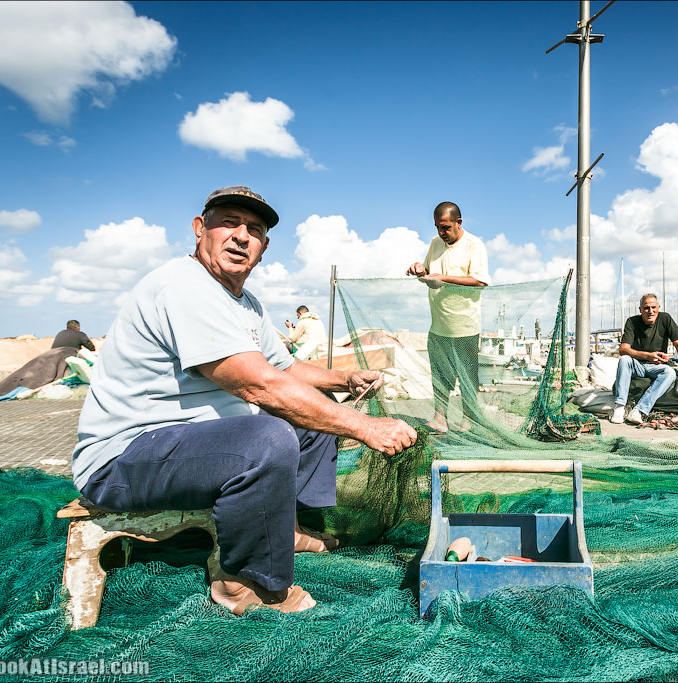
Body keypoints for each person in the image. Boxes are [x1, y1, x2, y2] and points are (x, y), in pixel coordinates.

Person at [71, 186, 417, 616]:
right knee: (268, 436)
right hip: (124, 459)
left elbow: (284, 368)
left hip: (188, 445)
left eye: (253, 230)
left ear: (264, 247)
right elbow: (259, 386)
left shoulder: (245, 302)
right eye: (228, 223)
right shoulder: (184, 286)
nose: (241, 236)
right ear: (200, 230)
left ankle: (284, 531)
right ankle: (245, 581)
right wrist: (363, 425)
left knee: (312, 413)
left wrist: (342, 378)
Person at [405, 201, 490, 433]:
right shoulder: (435, 243)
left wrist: (443, 277)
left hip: (465, 326)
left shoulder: (475, 245)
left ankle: (469, 420)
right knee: (440, 376)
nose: (441, 233)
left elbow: (480, 281)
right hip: (438, 324)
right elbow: (428, 273)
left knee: (467, 378)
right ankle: (440, 419)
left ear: (458, 223)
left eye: (445, 228)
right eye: (437, 228)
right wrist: (418, 270)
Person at [611, 294, 678, 424]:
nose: (651, 311)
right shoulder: (632, 322)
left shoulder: (665, 319)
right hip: (637, 364)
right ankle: (619, 407)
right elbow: (623, 350)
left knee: (670, 372)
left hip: (656, 367)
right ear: (640, 310)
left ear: (658, 308)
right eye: (646, 308)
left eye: (653, 307)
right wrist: (648, 356)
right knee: (624, 360)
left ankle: (639, 410)